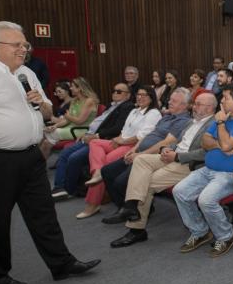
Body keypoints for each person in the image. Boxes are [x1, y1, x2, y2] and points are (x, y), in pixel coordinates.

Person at [0, 21, 99, 284]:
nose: (23, 49)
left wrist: (40, 103)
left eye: (24, 44)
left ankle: (61, 263)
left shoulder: (26, 73)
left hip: (30, 156)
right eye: (16, 44)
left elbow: (46, 113)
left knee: (43, 213)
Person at [108, 92, 218, 248]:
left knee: (146, 182)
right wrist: (167, 148)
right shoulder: (191, 122)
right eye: (195, 103)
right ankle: (131, 206)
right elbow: (178, 142)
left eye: (198, 104)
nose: (194, 107)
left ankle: (136, 229)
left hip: (188, 164)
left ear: (210, 108)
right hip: (172, 156)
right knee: (140, 160)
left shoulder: (214, 125)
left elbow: (207, 153)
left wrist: (177, 156)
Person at [173, 84, 233, 258]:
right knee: (180, 191)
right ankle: (200, 231)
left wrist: (220, 124)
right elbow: (205, 141)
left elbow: (228, 144)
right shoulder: (225, 117)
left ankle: (226, 235)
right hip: (209, 169)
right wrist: (221, 145)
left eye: (226, 98)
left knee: (206, 200)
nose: (222, 101)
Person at [98, 88, 192, 224]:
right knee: (106, 171)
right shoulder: (167, 116)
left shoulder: (183, 121)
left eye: (174, 101)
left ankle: (132, 209)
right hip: (140, 152)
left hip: (152, 156)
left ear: (184, 105)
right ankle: (125, 208)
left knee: (120, 182)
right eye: (170, 99)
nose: (169, 102)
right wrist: (134, 150)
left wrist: (139, 154)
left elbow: (165, 143)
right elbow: (150, 134)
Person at [76, 84, 163, 219]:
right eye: (138, 94)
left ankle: (92, 205)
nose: (140, 97)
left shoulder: (153, 113)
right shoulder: (134, 111)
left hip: (133, 146)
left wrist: (123, 141)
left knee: (105, 165)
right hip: (121, 141)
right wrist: (118, 139)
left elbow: (143, 136)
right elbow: (124, 131)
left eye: (144, 95)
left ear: (151, 98)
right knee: (94, 143)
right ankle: (97, 171)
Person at [50, 83, 135, 200]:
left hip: (103, 140)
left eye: (119, 91)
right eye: (114, 90)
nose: (115, 93)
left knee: (74, 158)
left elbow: (117, 128)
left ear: (128, 95)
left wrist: (96, 136)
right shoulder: (111, 105)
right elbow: (98, 123)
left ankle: (69, 190)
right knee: (65, 154)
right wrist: (87, 134)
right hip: (90, 136)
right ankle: (59, 187)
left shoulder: (127, 107)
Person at [39, 77, 99, 158]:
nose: (70, 88)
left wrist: (68, 116)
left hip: (81, 130)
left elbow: (79, 121)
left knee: (45, 138)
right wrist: (54, 126)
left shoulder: (89, 101)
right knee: (44, 135)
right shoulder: (74, 100)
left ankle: (39, 166)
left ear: (80, 88)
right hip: (70, 128)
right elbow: (66, 120)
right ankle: (39, 165)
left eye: (72, 86)